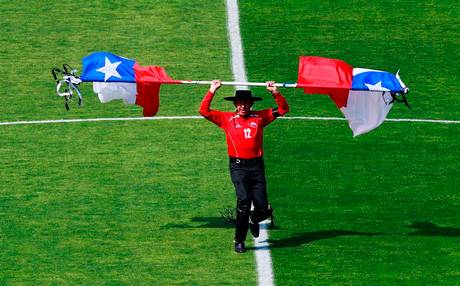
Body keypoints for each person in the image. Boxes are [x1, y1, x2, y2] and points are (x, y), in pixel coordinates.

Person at [199, 80, 289, 253]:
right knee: (244, 202)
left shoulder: (260, 117)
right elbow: (204, 111)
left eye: (246, 104)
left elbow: (284, 109)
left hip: (257, 167)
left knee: (263, 209)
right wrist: (212, 90)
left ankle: (254, 220)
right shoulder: (226, 119)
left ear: (251, 104)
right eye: (240, 104)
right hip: (238, 167)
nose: (243, 107)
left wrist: (275, 92)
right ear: (235, 104)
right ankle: (239, 240)